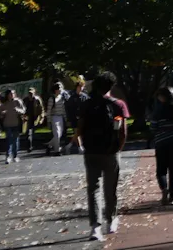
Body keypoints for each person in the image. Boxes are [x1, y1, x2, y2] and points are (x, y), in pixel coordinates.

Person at [76, 73, 127, 240]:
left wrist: (83, 144)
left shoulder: (87, 104)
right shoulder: (118, 105)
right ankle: (111, 219)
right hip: (111, 151)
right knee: (110, 188)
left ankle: (95, 227)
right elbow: (122, 132)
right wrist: (118, 148)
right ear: (111, 86)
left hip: (91, 151)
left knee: (93, 188)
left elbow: (80, 128)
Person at [0, 88, 26, 163]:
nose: (12, 95)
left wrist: (18, 110)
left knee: (15, 141)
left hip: (16, 124)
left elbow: (24, 110)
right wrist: (2, 113)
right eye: (10, 94)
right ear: (7, 95)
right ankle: (8, 156)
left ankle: (15, 155)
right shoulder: (5, 104)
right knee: (9, 141)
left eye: (13, 93)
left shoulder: (18, 101)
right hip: (7, 124)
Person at [64, 81, 87, 154]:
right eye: (80, 87)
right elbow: (69, 108)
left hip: (83, 117)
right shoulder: (72, 97)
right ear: (77, 87)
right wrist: (69, 118)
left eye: (82, 87)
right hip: (74, 118)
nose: (81, 88)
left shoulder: (85, 97)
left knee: (78, 133)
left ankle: (69, 146)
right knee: (77, 132)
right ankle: (80, 148)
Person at [46, 82, 69, 155]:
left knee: (60, 134)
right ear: (55, 90)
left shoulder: (61, 98)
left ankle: (49, 145)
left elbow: (63, 109)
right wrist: (49, 121)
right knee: (57, 134)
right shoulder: (52, 99)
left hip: (61, 117)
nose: (60, 90)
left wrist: (65, 118)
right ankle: (57, 151)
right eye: (59, 89)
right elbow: (48, 111)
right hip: (54, 117)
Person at [23, 87, 44, 152]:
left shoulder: (37, 100)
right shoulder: (25, 100)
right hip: (27, 117)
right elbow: (22, 108)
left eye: (32, 93)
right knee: (28, 132)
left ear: (34, 93)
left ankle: (30, 145)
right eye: (29, 93)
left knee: (31, 132)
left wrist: (41, 118)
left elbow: (41, 109)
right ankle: (29, 146)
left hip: (35, 117)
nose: (30, 94)